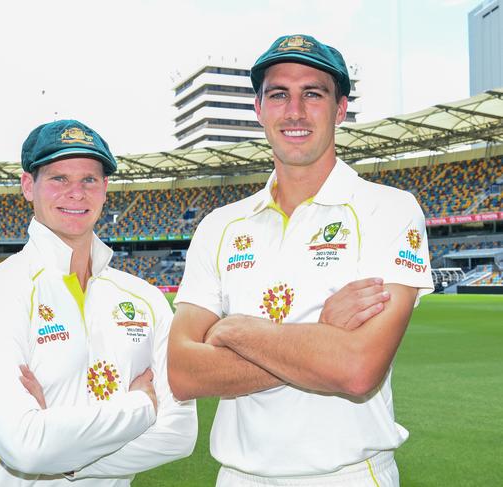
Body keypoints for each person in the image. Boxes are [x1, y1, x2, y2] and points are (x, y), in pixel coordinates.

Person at [168, 34, 433, 487]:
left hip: (347, 476)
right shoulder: (220, 225)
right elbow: (182, 371)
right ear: (258, 109)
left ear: (340, 108)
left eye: (313, 93)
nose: (294, 111)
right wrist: (323, 339)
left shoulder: (387, 208)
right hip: (238, 477)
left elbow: (356, 371)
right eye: (278, 95)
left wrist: (236, 330)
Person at [0, 119, 197, 486]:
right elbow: (25, 449)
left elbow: (179, 436)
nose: (76, 193)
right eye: (59, 179)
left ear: (105, 188)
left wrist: (64, 455)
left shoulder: (145, 298)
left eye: (89, 180)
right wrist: (142, 407)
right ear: (28, 186)